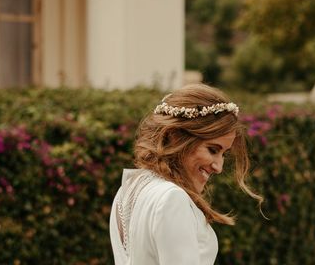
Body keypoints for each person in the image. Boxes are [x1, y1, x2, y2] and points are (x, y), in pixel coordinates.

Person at [109, 83, 262, 264]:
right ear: (176, 137)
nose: (219, 167)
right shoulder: (172, 198)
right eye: (213, 150)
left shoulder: (127, 190)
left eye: (224, 154)